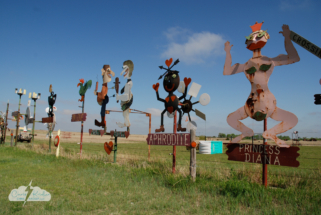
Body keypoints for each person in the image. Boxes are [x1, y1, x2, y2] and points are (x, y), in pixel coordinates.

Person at [223, 23, 300, 148]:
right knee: (230, 119)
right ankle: (248, 132)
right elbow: (227, 71)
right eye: (251, 38)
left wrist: (287, 37)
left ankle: (270, 133)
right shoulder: (247, 64)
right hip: (252, 104)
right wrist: (227, 52)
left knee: (292, 119)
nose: (254, 41)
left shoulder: (269, 61)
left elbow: (294, 57)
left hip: (264, 104)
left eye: (258, 37)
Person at [116, 60, 134, 128]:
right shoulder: (127, 84)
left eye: (125, 69)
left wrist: (118, 97)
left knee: (125, 114)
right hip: (126, 102)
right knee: (125, 115)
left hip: (127, 100)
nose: (123, 72)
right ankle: (125, 124)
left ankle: (126, 124)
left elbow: (126, 97)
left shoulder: (128, 84)